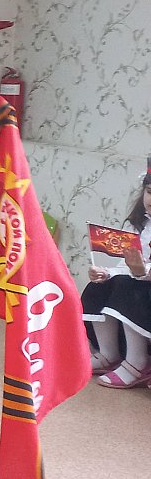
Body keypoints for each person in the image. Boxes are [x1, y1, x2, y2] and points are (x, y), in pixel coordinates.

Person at [84, 162, 151, 387]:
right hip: (141, 285)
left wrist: (141, 272)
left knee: (130, 287)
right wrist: (107, 272)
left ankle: (137, 362)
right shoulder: (142, 225)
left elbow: (139, 272)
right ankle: (109, 353)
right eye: (149, 192)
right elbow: (127, 266)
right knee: (102, 284)